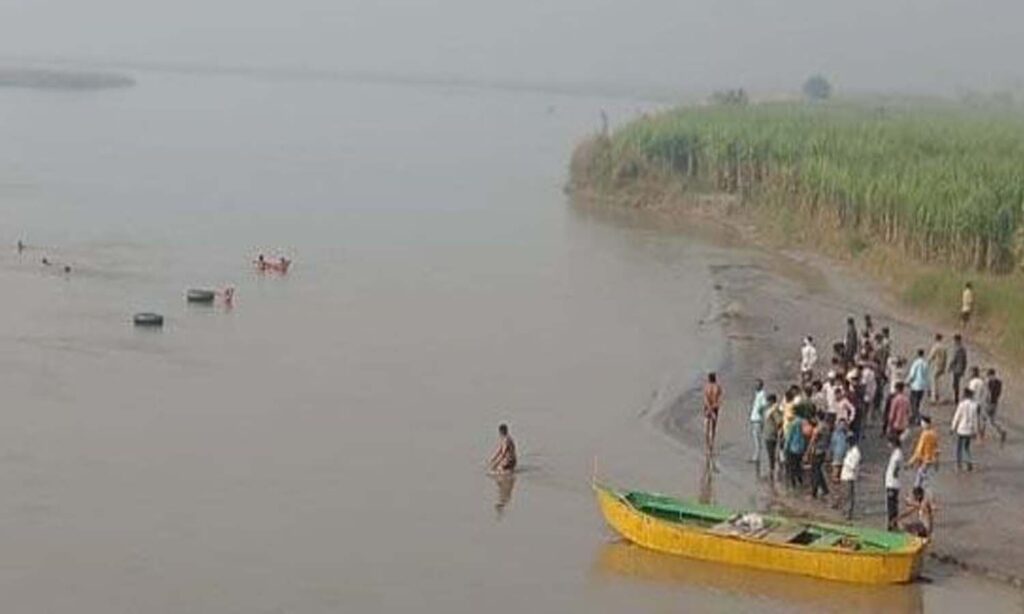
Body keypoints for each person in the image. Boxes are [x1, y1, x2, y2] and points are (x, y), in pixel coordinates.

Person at [951, 388, 979, 472]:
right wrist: (976, 431)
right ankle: (968, 462)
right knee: (967, 447)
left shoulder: (961, 404)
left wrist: (953, 427)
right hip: (970, 429)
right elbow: (975, 419)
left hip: (961, 429)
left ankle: (959, 464)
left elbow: (957, 416)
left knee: (959, 448)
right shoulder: (974, 405)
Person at [909, 415, 939, 490]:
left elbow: (919, 450)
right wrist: (936, 461)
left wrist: (911, 461)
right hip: (931, 460)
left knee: (920, 480)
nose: (921, 424)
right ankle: (923, 496)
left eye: (922, 422)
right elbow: (936, 449)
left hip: (924, 460)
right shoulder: (934, 433)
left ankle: (919, 496)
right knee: (924, 479)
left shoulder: (925, 434)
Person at [808, 414, 831, 499]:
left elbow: (813, 440)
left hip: (817, 451)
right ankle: (825, 490)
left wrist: (807, 452)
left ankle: (814, 492)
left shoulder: (819, 428)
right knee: (818, 471)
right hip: (823, 451)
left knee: (815, 472)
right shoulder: (827, 427)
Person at [839, 435, 861, 520]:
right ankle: (845, 511)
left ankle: (848, 513)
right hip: (845, 475)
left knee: (849, 496)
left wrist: (845, 462)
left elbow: (853, 466)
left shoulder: (856, 453)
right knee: (845, 495)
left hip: (850, 476)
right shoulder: (850, 451)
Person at [885, 435, 904, 531]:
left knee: (892, 506)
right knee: (891, 505)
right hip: (891, 482)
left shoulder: (897, 454)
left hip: (893, 483)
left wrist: (894, 475)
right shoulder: (896, 453)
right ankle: (892, 523)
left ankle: (892, 524)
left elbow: (896, 468)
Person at [785, 412, 807, 489]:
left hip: (793, 448)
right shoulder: (804, 422)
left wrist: (786, 447)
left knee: (792, 466)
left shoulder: (792, 424)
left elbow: (789, 437)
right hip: (801, 447)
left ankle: (793, 483)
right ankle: (800, 480)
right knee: (798, 465)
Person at [907, 349, 929, 425]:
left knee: (913, 403)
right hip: (922, 386)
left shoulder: (915, 363)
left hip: (915, 386)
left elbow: (912, 375)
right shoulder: (925, 363)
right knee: (917, 403)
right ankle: (915, 417)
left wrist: (907, 382)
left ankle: (917, 418)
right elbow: (926, 376)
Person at [763, 394, 782, 481]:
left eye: (768, 401)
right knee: (770, 453)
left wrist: (777, 431)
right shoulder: (770, 410)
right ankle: (772, 470)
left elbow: (779, 421)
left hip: (771, 435)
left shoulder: (774, 411)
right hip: (768, 433)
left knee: (771, 453)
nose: (767, 403)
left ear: (772, 401)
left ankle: (772, 470)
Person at [703, 373, 723, 455]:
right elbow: (719, 400)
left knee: (706, 428)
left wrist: (709, 409)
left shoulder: (706, 387)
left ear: (708, 378)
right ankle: (711, 446)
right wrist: (713, 408)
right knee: (713, 428)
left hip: (707, 408)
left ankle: (707, 448)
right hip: (714, 408)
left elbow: (705, 399)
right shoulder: (718, 387)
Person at [985, 368, 1007, 445]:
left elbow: (989, 394)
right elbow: (998, 394)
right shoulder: (999, 382)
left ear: (991, 375)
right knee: (992, 420)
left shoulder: (990, 383)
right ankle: (1001, 431)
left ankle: (981, 435)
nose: (988, 377)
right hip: (995, 403)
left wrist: (987, 402)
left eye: (988, 375)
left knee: (984, 418)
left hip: (990, 403)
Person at [749, 380, 768, 463]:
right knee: (755, 438)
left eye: (757, 385)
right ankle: (756, 456)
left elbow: (764, 405)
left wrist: (760, 412)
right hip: (754, 418)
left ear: (761, 386)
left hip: (758, 419)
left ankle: (757, 457)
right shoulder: (757, 394)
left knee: (757, 438)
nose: (755, 386)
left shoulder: (762, 394)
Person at [967, 367, 988, 438]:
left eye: (970, 372)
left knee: (973, 418)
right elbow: (984, 392)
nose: (969, 374)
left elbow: (970, 392)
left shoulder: (973, 382)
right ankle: (980, 432)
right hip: (980, 402)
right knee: (978, 418)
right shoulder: (981, 381)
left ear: (973, 373)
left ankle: (975, 433)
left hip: (973, 402)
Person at [927, 334, 948, 403]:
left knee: (933, 380)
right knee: (939, 381)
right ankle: (940, 396)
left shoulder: (936, 347)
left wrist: (928, 362)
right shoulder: (944, 347)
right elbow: (946, 357)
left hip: (937, 365)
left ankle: (934, 397)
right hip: (942, 365)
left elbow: (931, 356)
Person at [950, 334, 968, 404]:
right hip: (961, 368)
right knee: (957, 383)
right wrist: (964, 368)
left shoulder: (957, 348)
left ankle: (956, 398)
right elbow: (965, 360)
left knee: (955, 384)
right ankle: (957, 397)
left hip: (956, 368)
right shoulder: (963, 349)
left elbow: (954, 358)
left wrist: (950, 366)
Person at [830, 417, 848, 482]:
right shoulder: (837, 433)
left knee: (839, 465)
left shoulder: (844, 434)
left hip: (842, 452)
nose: (843, 426)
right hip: (837, 452)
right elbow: (833, 443)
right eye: (841, 424)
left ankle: (836, 477)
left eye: (844, 424)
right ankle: (834, 477)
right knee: (836, 465)